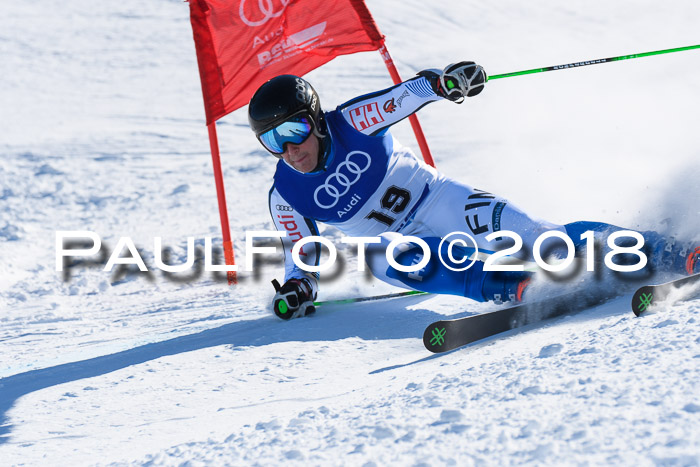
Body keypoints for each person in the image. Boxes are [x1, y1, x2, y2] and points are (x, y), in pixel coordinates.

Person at [247, 62, 700, 320]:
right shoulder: (285, 194)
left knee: (538, 235)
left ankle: (674, 252)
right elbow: (301, 252)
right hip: (388, 241)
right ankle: (521, 288)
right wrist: (298, 288)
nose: (289, 148)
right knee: (391, 259)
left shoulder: (353, 122)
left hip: (438, 198)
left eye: (296, 128)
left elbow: (406, 96)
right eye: (272, 139)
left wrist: (443, 84)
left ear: (317, 118)